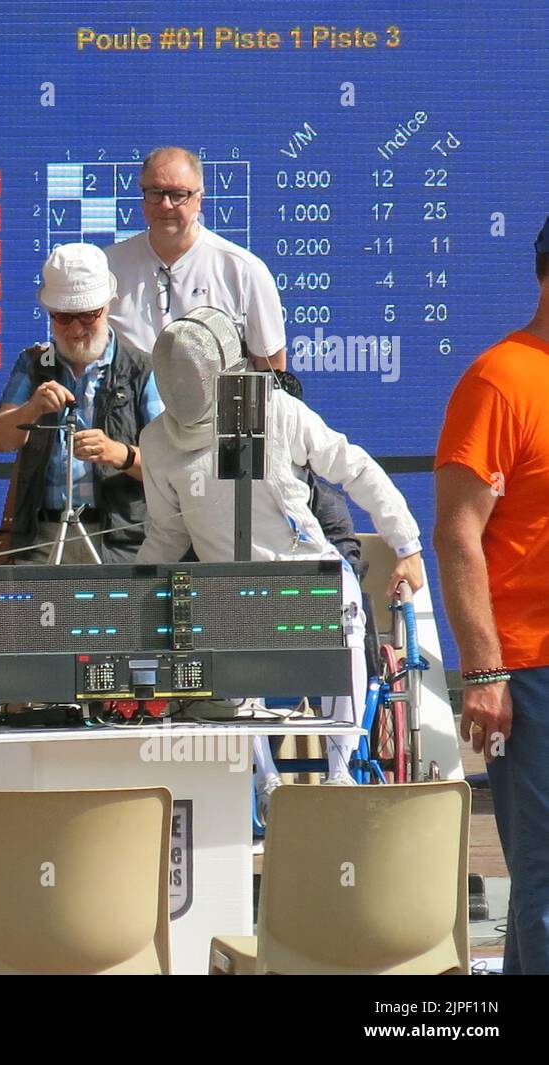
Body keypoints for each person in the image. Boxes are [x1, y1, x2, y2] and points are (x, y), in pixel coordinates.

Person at [134, 308, 423, 788]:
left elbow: (353, 467)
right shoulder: (156, 443)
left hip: (306, 580)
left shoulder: (276, 411)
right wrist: (134, 603)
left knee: (344, 603)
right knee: (203, 619)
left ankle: (338, 770)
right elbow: (167, 535)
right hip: (225, 599)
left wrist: (406, 542)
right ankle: (262, 779)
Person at [433, 217, 549, 975]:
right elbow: (456, 532)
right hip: (533, 674)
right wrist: (482, 670)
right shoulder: (500, 378)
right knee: (542, 883)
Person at [0, 242, 163, 563]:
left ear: (108, 306)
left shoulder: (141, 369)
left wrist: (118, 453)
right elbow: (0, 438)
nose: (76, 328)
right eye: (63, 317)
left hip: (119, 539)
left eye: (87, 315)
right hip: (42, 536)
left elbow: (168, 466)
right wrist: (32, 409)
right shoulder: (34, 363)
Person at [105, 146, 286, 371]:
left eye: (178, 194)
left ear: (199, 199)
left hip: (220, 406)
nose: (165, 204)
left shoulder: (243, 270)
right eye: (155, 192)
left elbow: (271, 369)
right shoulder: (107, 267)